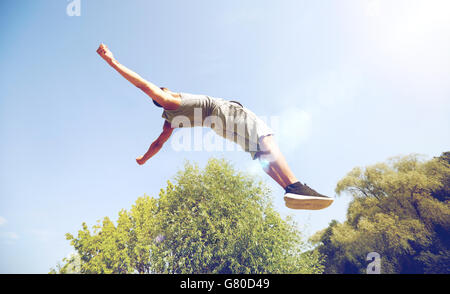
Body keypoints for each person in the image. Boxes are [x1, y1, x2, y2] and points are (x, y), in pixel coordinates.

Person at [96, 43, 333, 210]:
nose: (164, 90)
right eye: (162, 91)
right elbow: (145, 86)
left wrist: (144, 159)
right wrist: (112, 62)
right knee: (266, 138)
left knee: (261, 154)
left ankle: (288, 189)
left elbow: (158, 143)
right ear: (161, 96)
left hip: (221, 129)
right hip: (224, 113)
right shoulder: (171, 100)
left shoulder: (169, 121)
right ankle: (296, 185)